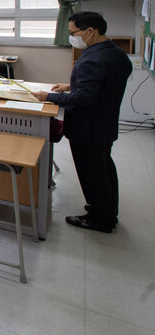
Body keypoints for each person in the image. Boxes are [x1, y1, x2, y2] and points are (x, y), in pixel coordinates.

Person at [33, 12, 132, 234]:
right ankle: (107, 210)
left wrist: (48, 97)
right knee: (104, 168)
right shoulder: (116, 53)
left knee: (92, 173)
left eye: (73, 33)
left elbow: (86, 98)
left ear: (90, 31)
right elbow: (101, 86)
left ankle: (99, 219)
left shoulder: (94, 58)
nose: (71, 37)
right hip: (105, 123)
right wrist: (71, 85)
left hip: (88, 127)